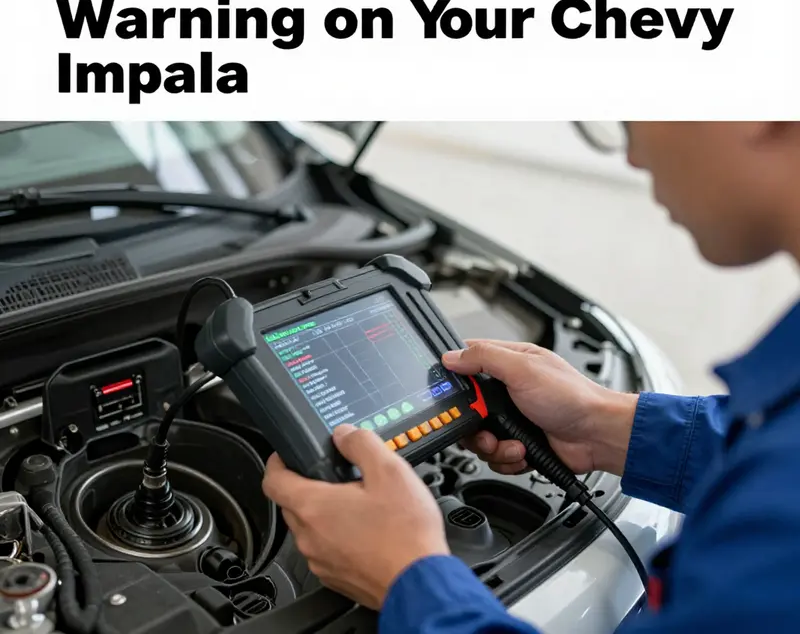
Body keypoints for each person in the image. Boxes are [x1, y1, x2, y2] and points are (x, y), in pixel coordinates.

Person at [262, 122, 800, 633]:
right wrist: (604, 424)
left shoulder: (779, 519)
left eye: (633, 117)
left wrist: (409, 581)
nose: (633, 156)